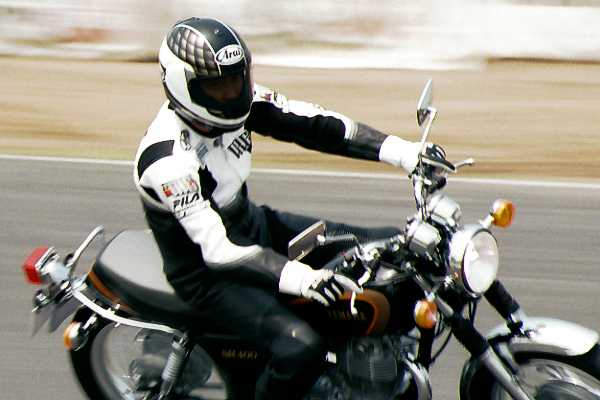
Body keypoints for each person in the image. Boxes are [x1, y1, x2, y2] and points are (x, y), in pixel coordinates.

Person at [133, 17, 446, 400]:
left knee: (393, 251)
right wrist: (302, 278)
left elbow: (316, 125)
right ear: (184, 86)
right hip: (207, 275)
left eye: (237, 80)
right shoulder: (167, 160)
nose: (232, 92)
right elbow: (218, 251)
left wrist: (405, 153)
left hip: (255, 226)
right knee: (300, 347)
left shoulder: (242, 104)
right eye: (218, 85)